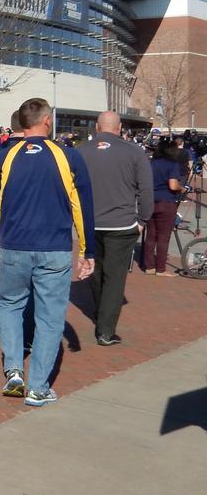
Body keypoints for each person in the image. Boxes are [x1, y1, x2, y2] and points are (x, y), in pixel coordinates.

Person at [0, 98, 94, 407]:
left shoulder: (4, 156)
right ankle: (38, 386)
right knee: (50, 317)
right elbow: (82, 206)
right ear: (46, 121)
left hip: (15, 247)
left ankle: (14, 371)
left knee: (11, 307)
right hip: (53, 250)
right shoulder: (68, 156)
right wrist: (87, 249)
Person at [76, 111, 153, 345]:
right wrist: (143, 220)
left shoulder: (80, 152)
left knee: (96, 270)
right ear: (119, 128)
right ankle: (106, 329)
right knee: (115, 276)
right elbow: (146, 190)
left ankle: (101, 314)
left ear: (97, 128)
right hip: (122, 224)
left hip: (90, 224)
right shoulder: (134, 152)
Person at [142, 139, 186, 277]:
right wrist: (182, 188)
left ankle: (149, 266)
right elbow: (173, 185)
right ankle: (161, 268)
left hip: (150, 201)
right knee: (163, 237)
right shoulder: (172, 165)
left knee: (150, 235)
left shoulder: (151, 164)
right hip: (166, 202)